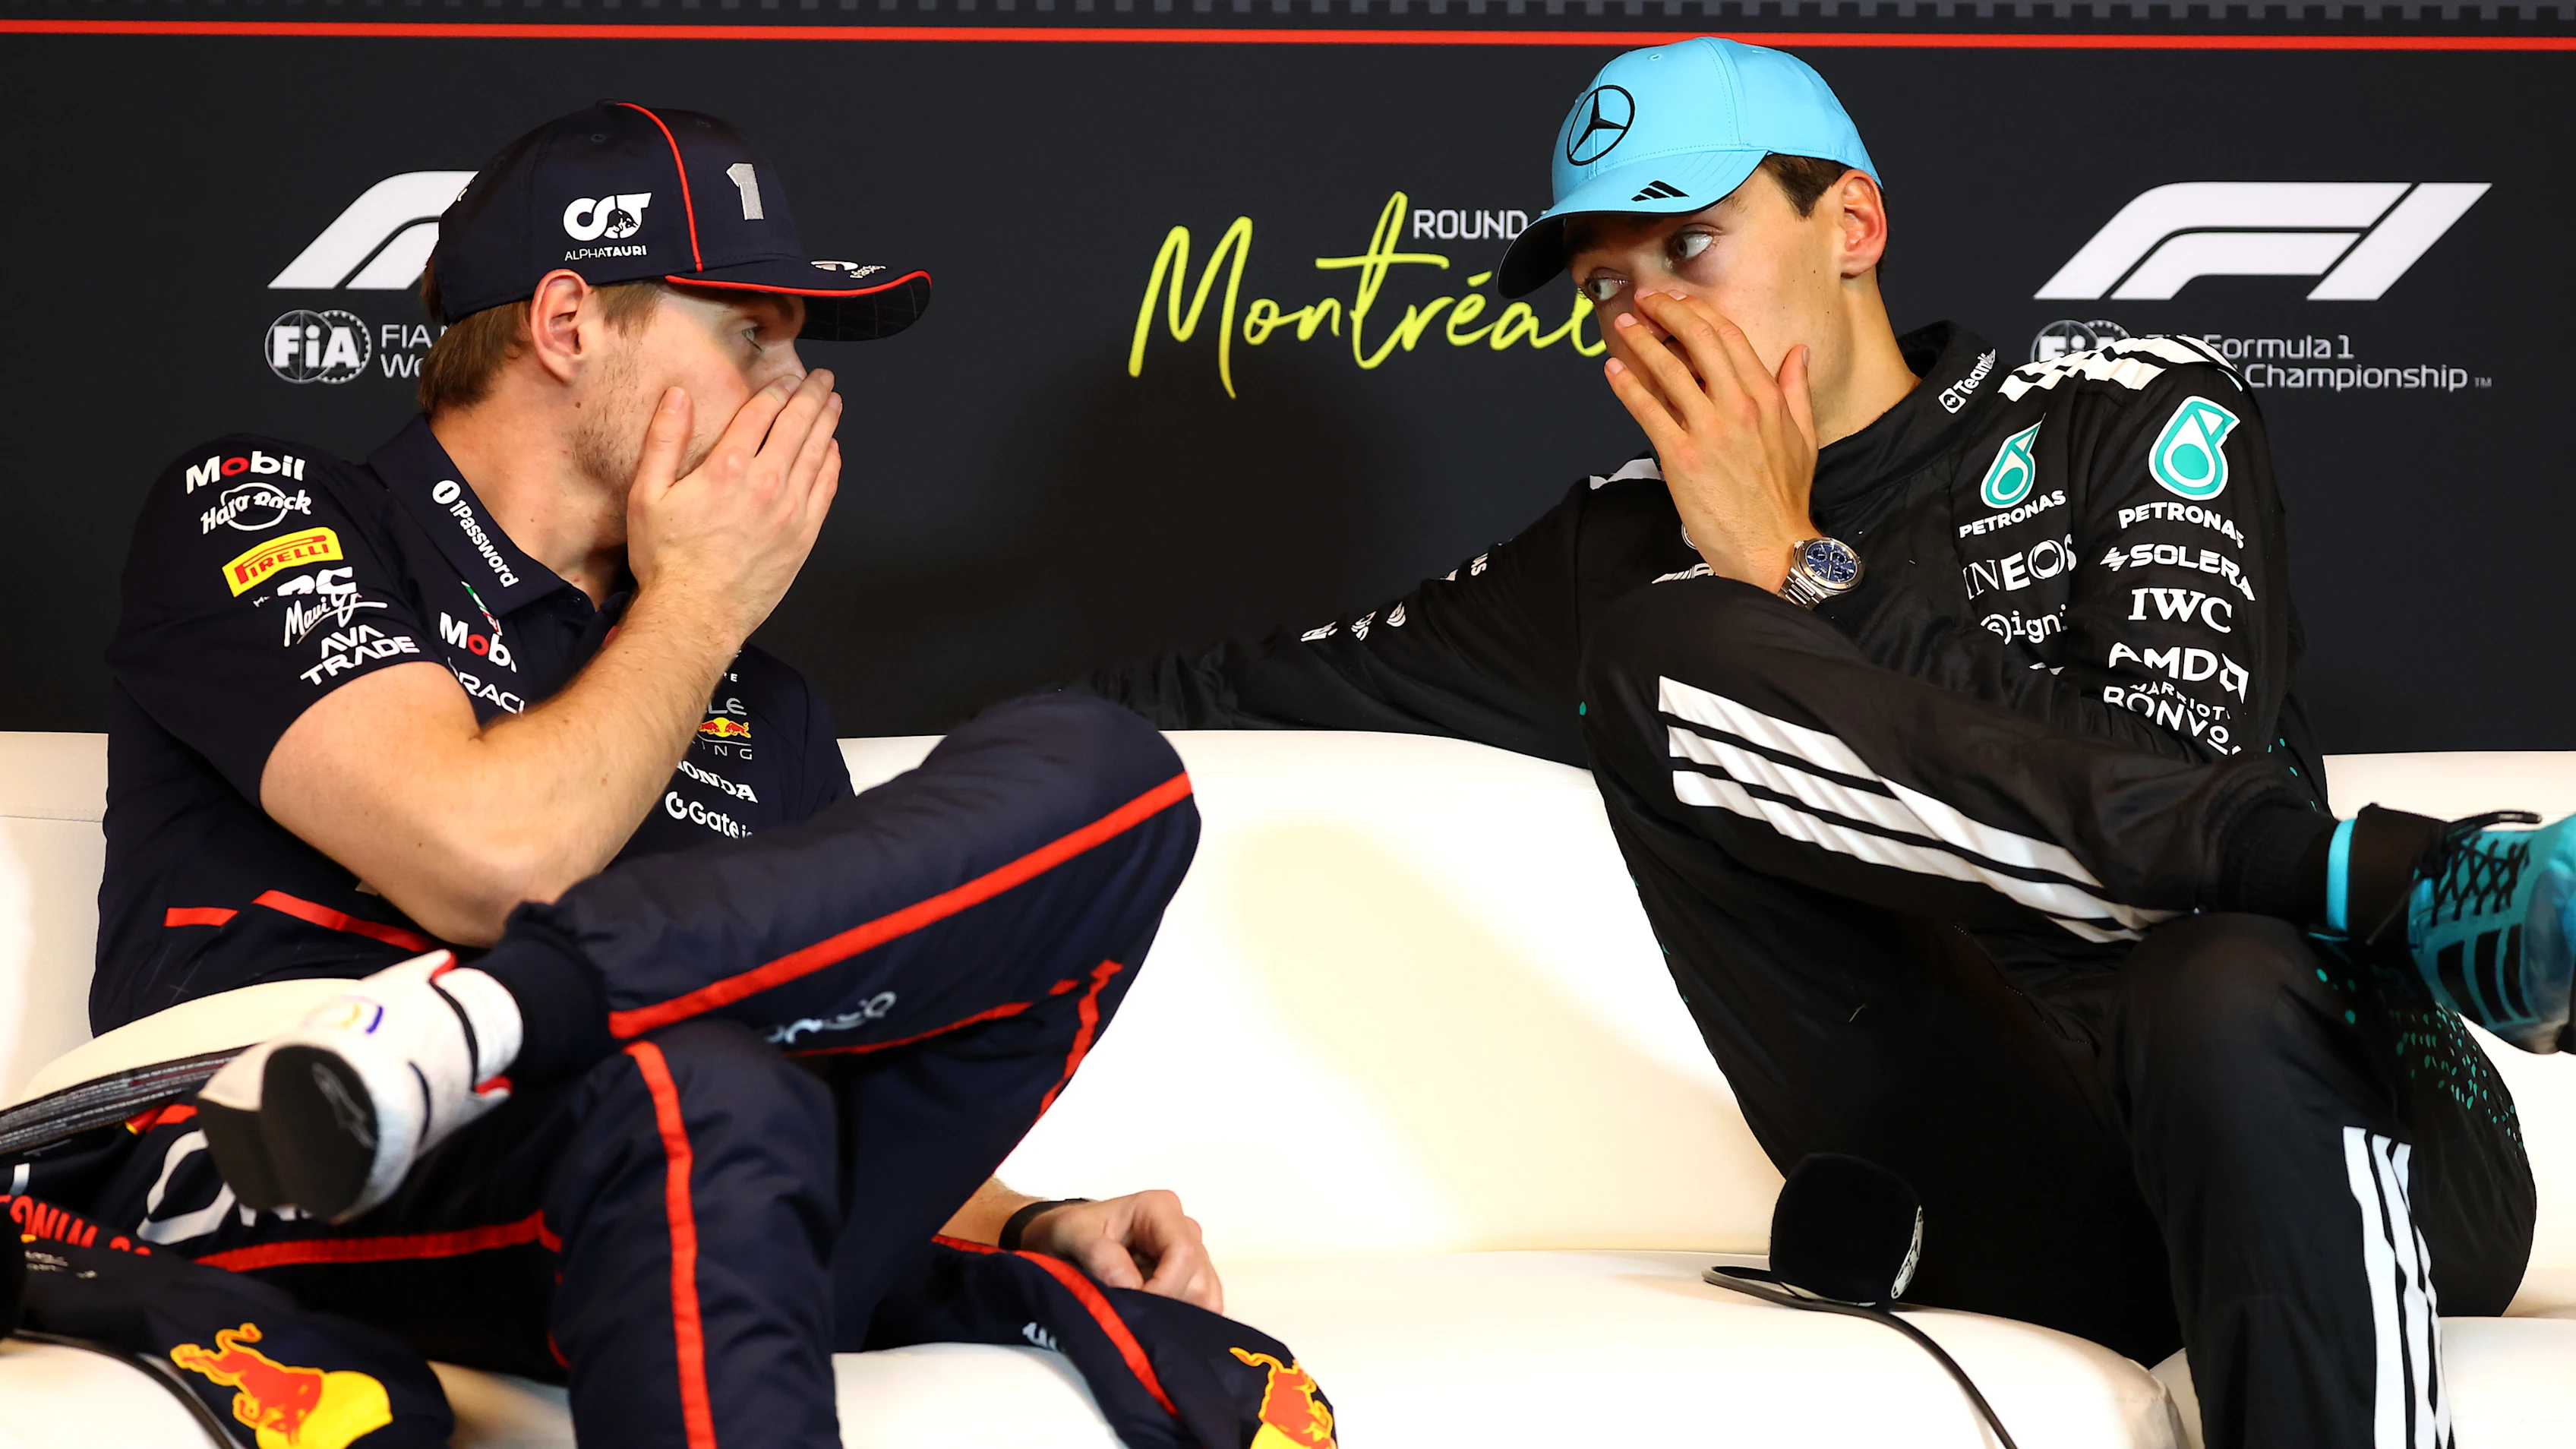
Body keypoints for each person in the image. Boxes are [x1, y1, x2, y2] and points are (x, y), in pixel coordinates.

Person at [1078, 38, 2564, 1449]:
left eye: (1691, 244)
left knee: (2218, 969)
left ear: (1850, 223)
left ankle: (2359, 896)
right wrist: (938, 751)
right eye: (1606, 285)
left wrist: (1798, 569)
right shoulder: (1614, 550)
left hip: (2327, 1111)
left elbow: (2185, 796)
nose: (1647, 314)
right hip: (1999, 1190)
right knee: (1663, 636)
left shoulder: (2124, 412)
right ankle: (2400, 880)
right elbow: (1227, 687)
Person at [66, 102, 1227, 1448]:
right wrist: (701, 605)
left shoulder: (760, 700)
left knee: (1117, 778)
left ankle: (495, 1021)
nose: (798, 392)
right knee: (706, 1094)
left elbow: (845, 1062)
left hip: (667, 1155)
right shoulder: (264, 504)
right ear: (569, 325)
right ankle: (484, 1034)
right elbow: (491, 859)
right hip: (283, 1156)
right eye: (751, 335)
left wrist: (1029, 1221)